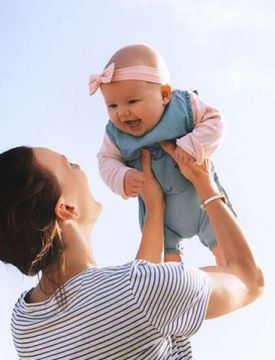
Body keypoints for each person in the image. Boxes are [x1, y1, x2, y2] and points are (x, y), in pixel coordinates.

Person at [0, 142, 264, 359]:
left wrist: (154, 207)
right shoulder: (141, 290)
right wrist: (204, 184)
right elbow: (250, 281)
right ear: (66, 208)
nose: (79, 167)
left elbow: (130, 314)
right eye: (68, 164)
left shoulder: (26, 323)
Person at [91, 44, 236, 262]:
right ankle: (175, 284)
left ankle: (231, 275)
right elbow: (106, 161)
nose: (122, 112)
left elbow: (216, 122)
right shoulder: (115, 135)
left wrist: (193, 145)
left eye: (132, 101)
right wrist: (121, 176)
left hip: (203, 200)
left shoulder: (183, 106)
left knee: (229, 256)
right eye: (112, 106)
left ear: (165, 94)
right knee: (167, 273)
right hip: (162, 218)